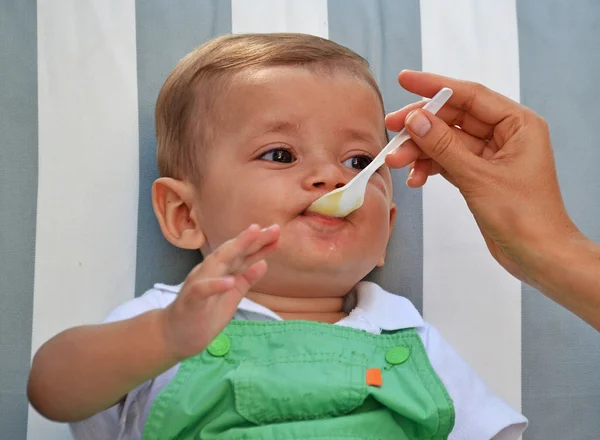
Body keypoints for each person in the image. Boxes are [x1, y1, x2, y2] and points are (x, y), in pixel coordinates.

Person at [27, 34, 527, 439]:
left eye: (358, 163)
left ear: (386, 233)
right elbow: (50, 389)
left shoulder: (407, 336)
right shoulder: (170, 319)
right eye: (281, 155)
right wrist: (164, 338)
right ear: (184, 215)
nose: (332, 178)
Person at [384, 70, 600, 332]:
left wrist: (551, 248)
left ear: (387, 227)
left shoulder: (420, 341)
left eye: (357, 163)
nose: (328, 177)